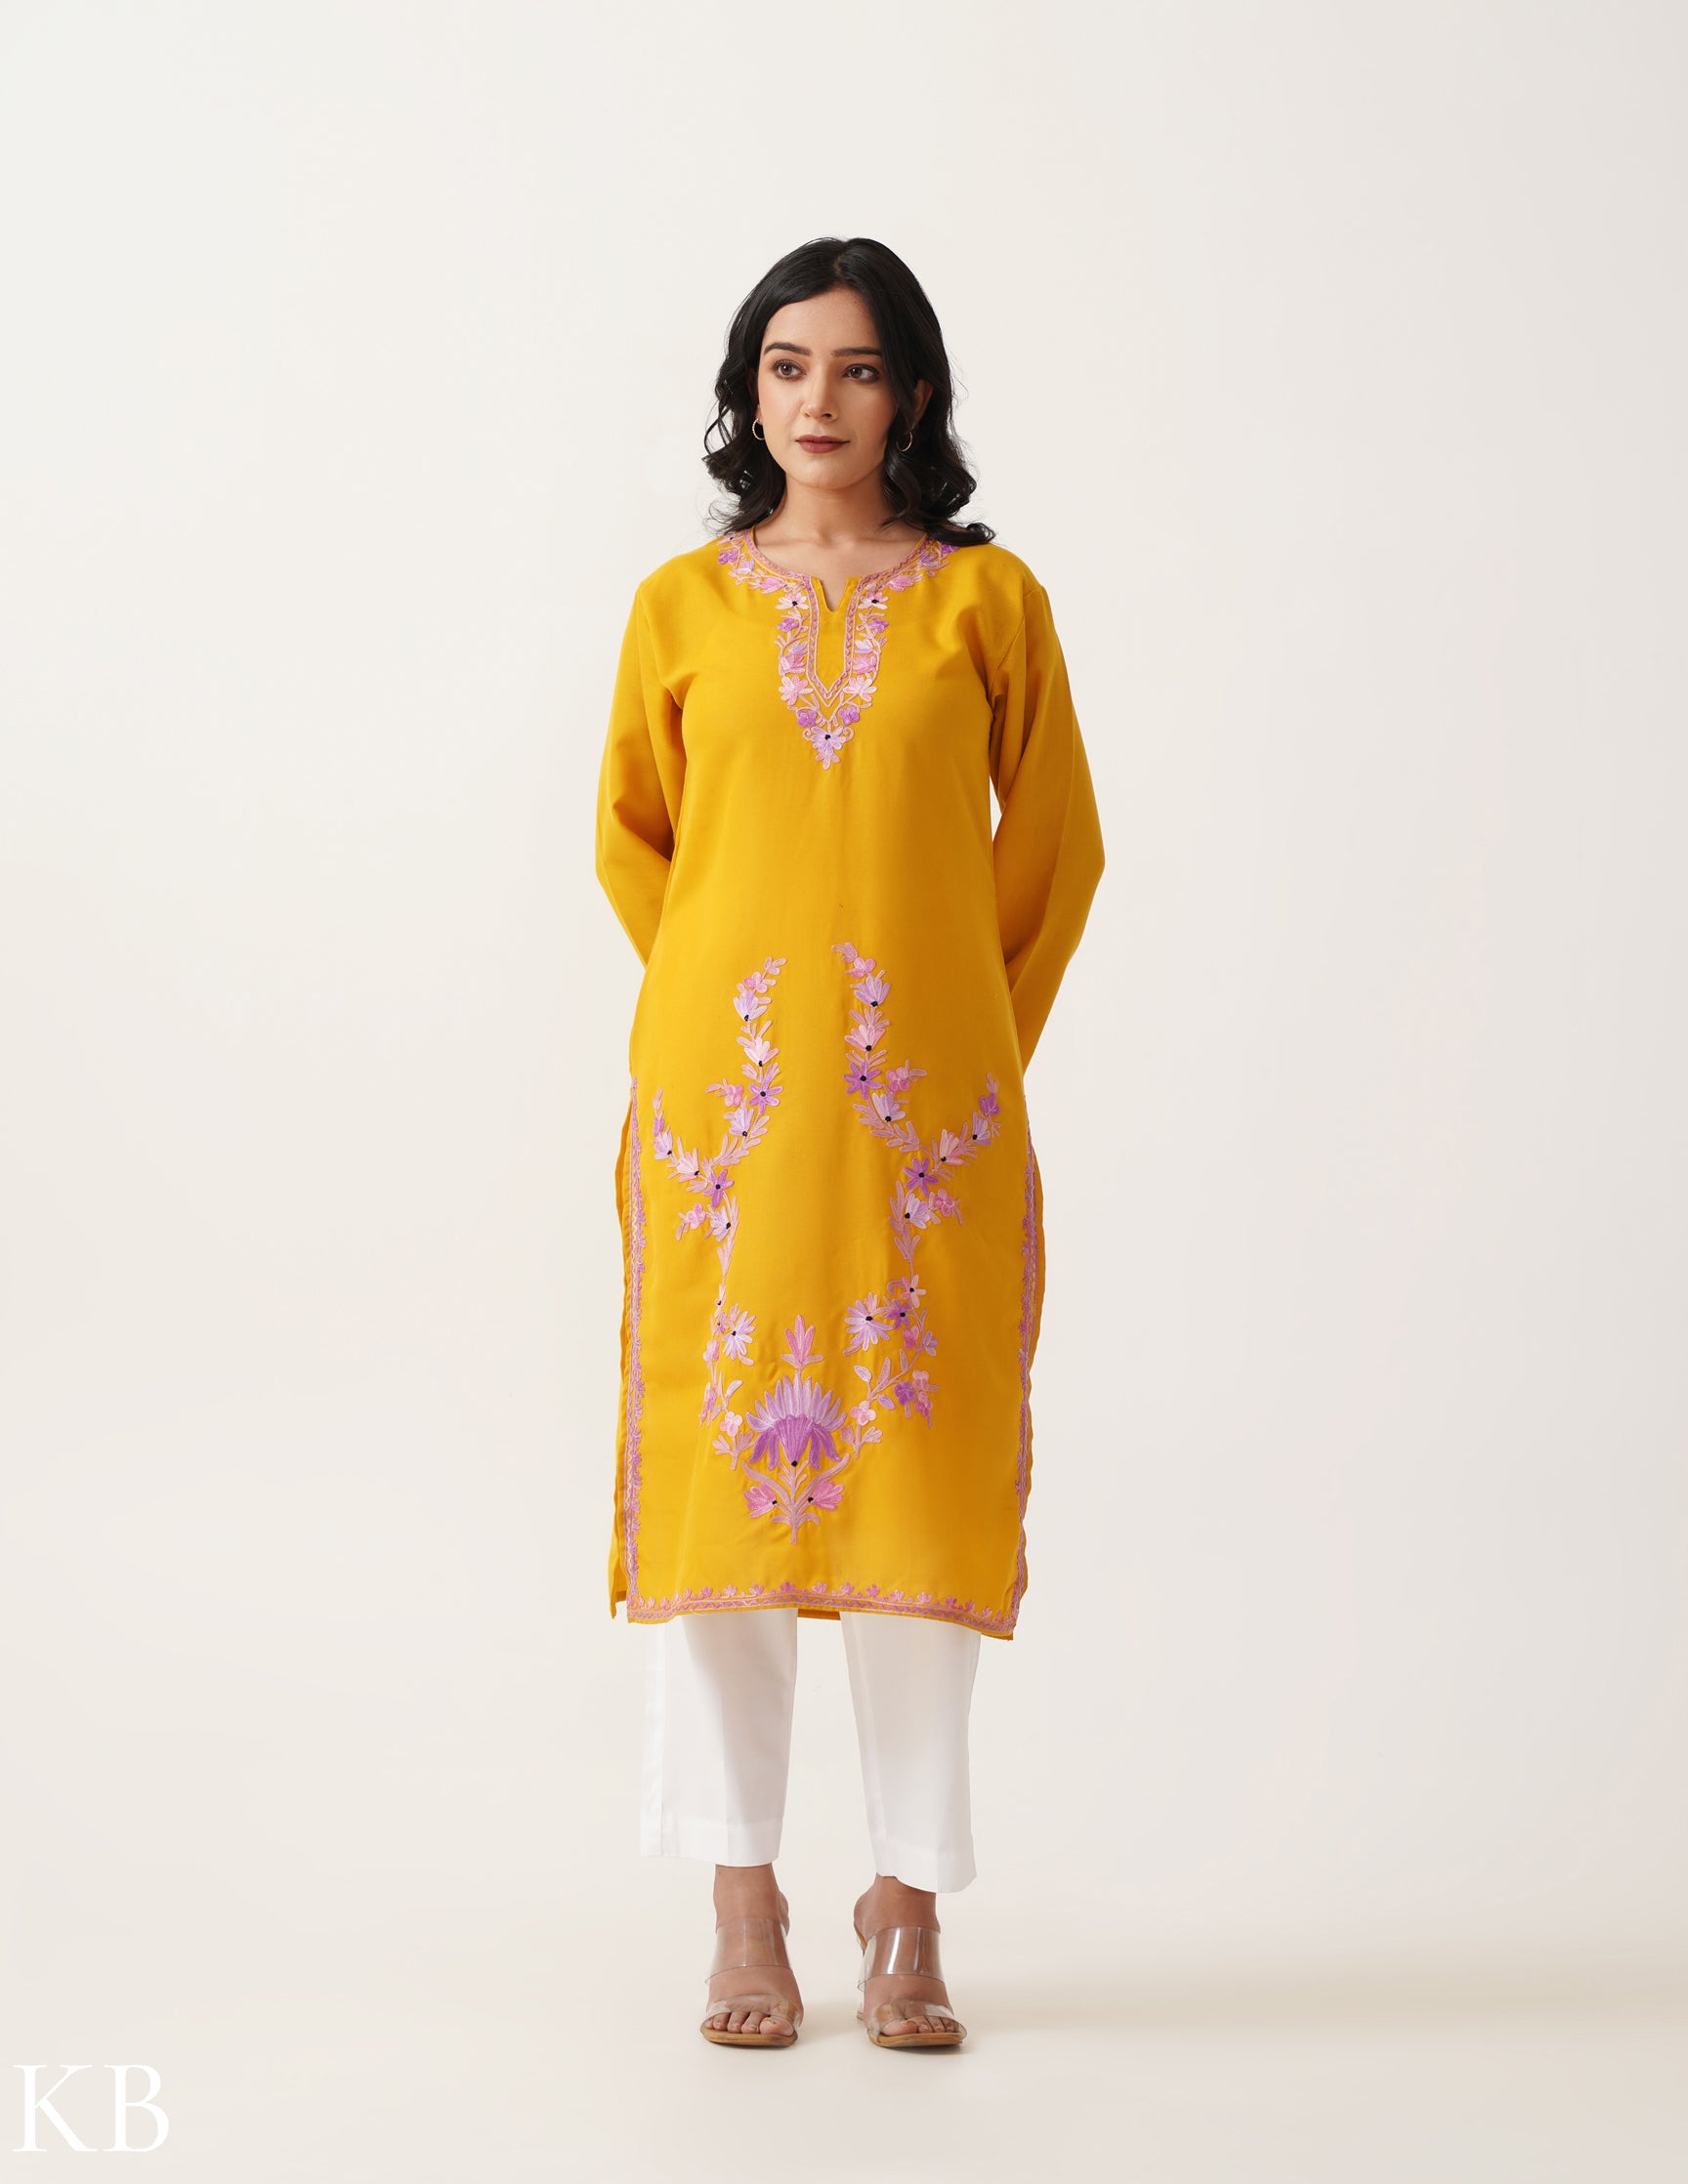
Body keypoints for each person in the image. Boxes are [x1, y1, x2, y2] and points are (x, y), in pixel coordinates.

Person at [594, 235, 1105, 2050]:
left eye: (861, 368)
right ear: (750, 391)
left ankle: (911, 1902)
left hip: (923, 1124)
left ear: (914, 394)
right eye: (789, 366)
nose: (821, 401)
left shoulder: (987, 602)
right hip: (730, 1122)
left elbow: (1056, 851)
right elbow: (639, 842)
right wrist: (732, 1019)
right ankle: (742, 1899)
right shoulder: (681, 606)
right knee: (726, 1478)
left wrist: (963, 1046)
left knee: (919, 1478)